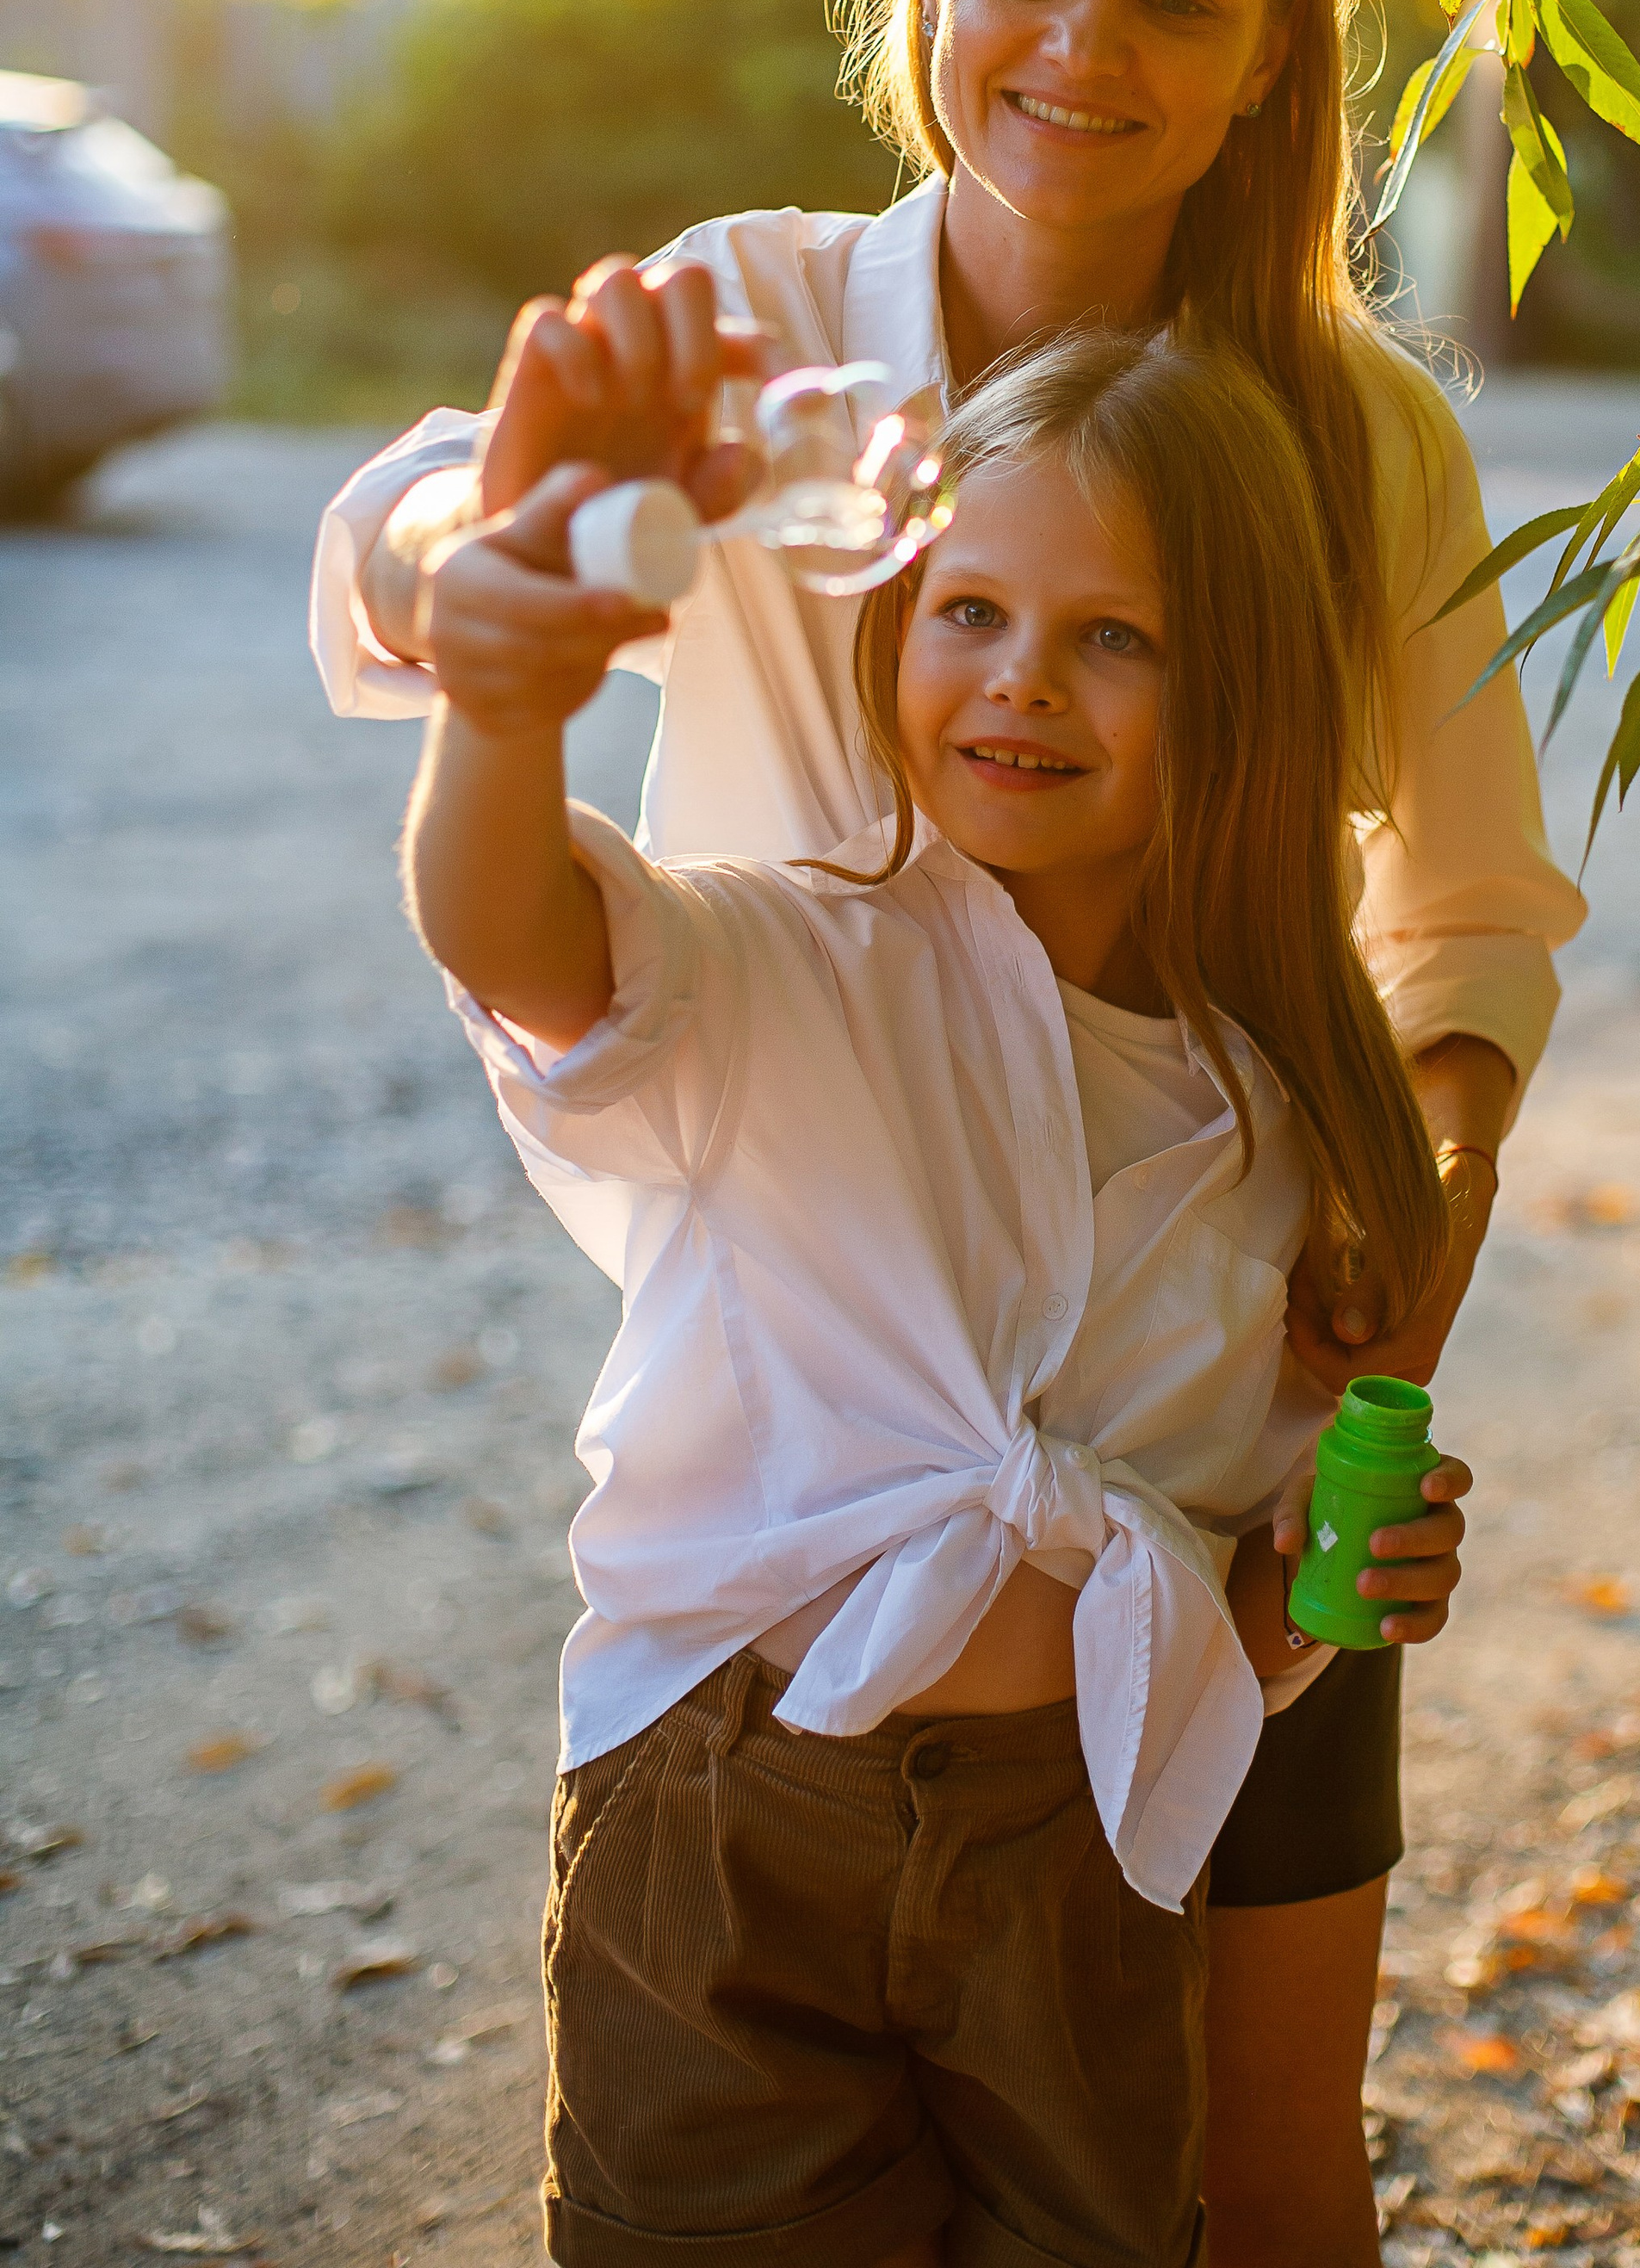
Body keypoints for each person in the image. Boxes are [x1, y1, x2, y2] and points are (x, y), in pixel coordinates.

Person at [312, 0, 1587, 2264]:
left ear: (1269, 57)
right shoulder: (766, 328)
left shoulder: (1357, 442)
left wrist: (1384, 1316)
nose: (1081, 46)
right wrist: (507, 583)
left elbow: (1461, 939)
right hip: (825, 1459)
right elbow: (425, 545)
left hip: (1224, 1475)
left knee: (1250, 2177)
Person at [405, 328, 1468, 2268]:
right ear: (890, 636)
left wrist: (1330, 1578)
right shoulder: (788, 961)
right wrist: (503, 702)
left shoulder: (1285, 1117)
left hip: (1077, 1850)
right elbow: (517, 933)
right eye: (966, 609)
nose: (1019, 680)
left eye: (1113, 638)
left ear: (1239, 684)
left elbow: (1233, 1560)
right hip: (729, 1820)